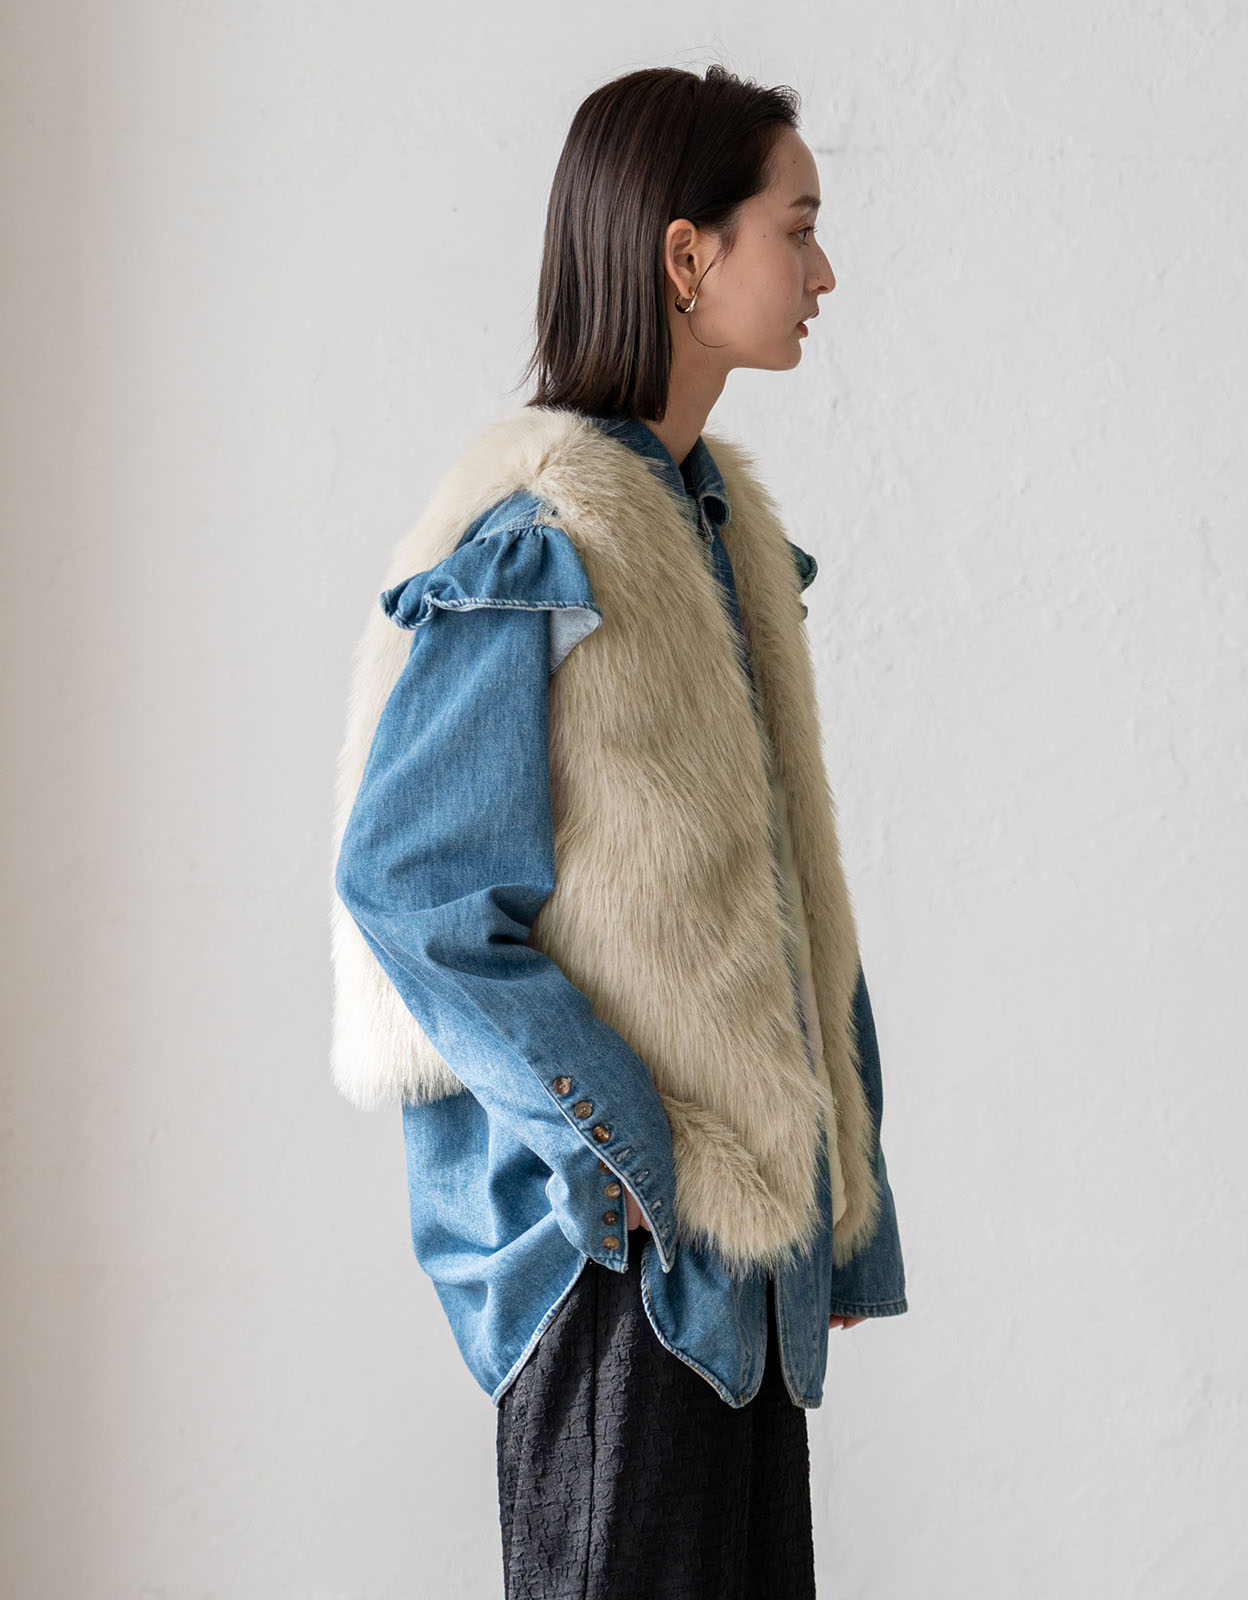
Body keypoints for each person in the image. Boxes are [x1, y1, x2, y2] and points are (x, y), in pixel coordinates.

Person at [330, 63, 908, 1600]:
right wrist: (636, 1162)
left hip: (738, 1268)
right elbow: (412, 885)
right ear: (684, 255)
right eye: (797, 227)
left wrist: (841, 1208)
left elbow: (786, 898)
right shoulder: (543, 540)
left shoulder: (711, 533)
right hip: (615, 1278)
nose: (823, 273)